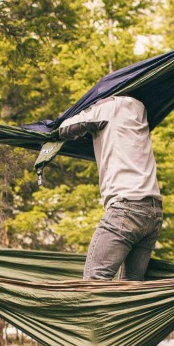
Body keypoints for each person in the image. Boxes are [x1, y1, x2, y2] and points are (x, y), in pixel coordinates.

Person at [58, 96, 163, 281]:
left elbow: (64, 129)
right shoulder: (140, 108)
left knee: (94, 279)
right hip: (153, 213)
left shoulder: (109, 107)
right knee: (131, 286)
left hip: (126, 209)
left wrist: (72, 112)